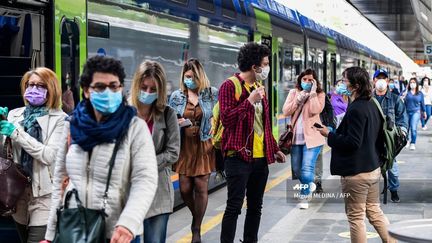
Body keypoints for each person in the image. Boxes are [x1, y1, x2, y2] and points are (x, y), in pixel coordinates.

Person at [44, 56, 158, 243]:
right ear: (86, 91)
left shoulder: (134, 127)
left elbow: (145, 179)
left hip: (118, 233)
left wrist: (128, 223)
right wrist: (50, 234)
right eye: (100, 87)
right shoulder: (72, 124)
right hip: (75, 227)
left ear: (121, 88)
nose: (108, 92)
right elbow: (60, 181)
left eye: (114, 86)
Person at [317, 66, 396, 243]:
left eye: (345, 81)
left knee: (356, 218)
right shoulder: (372, 103)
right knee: (374, 212)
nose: (342, 84)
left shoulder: (356, 109)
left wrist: (329, 135)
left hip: (357, 173)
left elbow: (353, 142)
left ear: (356, 85)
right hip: (372, 168)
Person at [219, 42, 285, 243]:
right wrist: (249, 101)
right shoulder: (230, 86)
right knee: (234, 206)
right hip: (238, 157)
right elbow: (227, 119)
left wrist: (274, 149)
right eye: (265, 64)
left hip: (259, 159)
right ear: (254, 66)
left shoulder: (258, 87)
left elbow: (264, 124)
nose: (267, 68)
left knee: (256, 206)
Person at [0, 67, 66, 243]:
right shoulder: (15, 114)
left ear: (51, 89)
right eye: (30, 85)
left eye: (40, 86)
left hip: (44, 196)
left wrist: (16, 133)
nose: (34, 89)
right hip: (17, 195)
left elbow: (48, 155)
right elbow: (5, 153)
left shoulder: (60, 119)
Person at [129, 60, 180, 243]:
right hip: (128, 194)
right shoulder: (124, 113)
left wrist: (144, 164)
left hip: (158, 193)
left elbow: (173, 153)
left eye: (153, 89)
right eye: (144, 87)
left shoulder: (168, 114)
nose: (148, 93)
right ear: (136, 85)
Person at [168, 58, 218, 243]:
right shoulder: (176, 96)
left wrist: (215, 123)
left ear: (200, 77)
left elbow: (219, 114)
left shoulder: (212, 94)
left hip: (204, 143)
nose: (189, 80)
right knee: (185, 188)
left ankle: (196, 230)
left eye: (193, 77)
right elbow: (169, 119)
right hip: (185, 146)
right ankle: (196, 217)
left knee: (201, 186)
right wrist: (177, 122)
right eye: (187, 77)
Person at [283, 68, 325, 209]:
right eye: (304, 79)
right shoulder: (294, 93)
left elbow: (315, 110)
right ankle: (309, 185)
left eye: (310, 80)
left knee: (307, 168)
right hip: (295, 139)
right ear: (300, 80)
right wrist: (298, 99)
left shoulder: (319, 94)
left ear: (315, 82)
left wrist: (312, 93)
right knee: (297, 169)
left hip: (313, 138)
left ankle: (304, 195)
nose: (306, 82)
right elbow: (286, 111)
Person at [372, 69, 408, 203]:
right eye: (378, 78)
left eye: (384, 78)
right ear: (374, 81)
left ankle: (393, 190)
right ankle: (372, 192)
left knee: (392, 167)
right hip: (372, 138)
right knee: (371, 167)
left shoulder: (395, 99)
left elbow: (402, 118)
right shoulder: (368, 98)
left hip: (389, 139)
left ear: (387, 81)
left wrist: (402, 132)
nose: (381, 81)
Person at [404, 77, 426, 150]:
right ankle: (407, 141)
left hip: (416, 112)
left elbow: (422, 104)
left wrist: (424, 112)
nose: (412, 84)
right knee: (407, 128)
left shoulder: (420, 93)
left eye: (414, 82)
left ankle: (413, 143)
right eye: (411, 82)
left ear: (416, 84)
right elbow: (401, 101)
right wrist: (403, 96)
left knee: (413, 128)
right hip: (407, 112)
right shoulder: (406, 92)